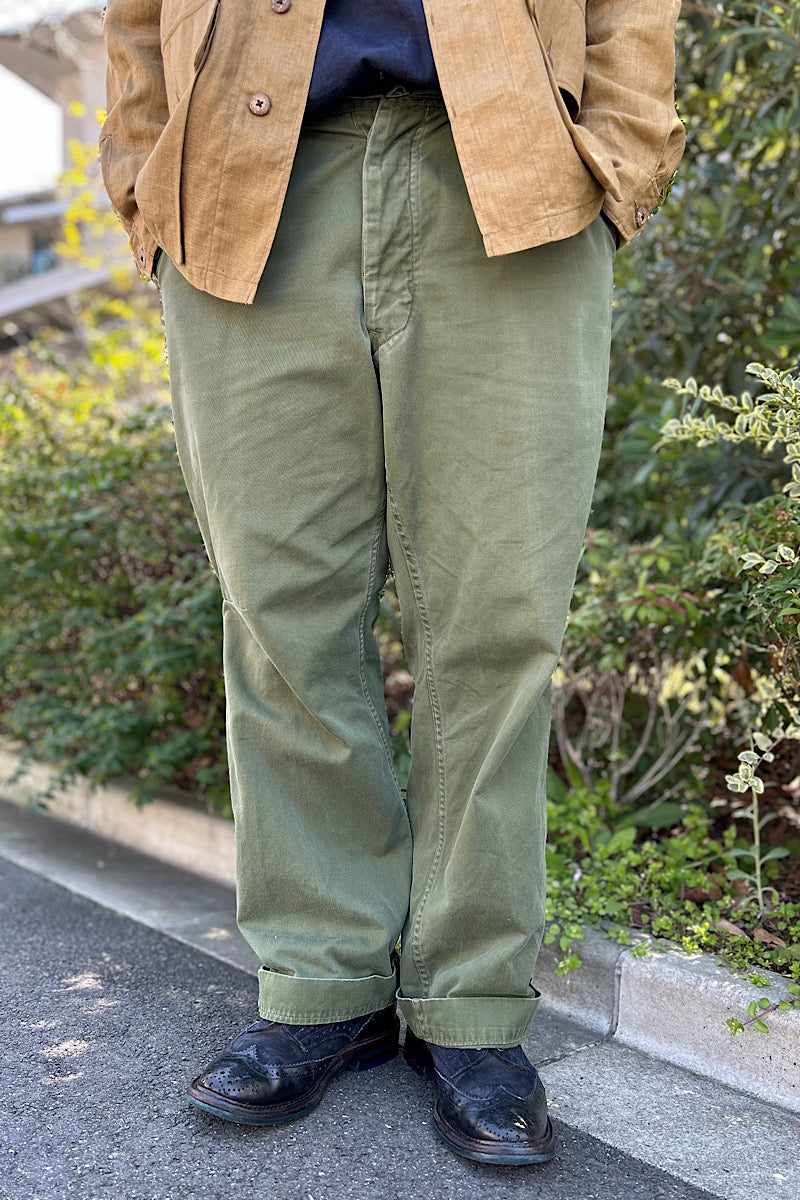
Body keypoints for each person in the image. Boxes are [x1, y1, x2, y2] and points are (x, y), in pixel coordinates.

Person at [100, 0, 684, 1167]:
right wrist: (140, 165)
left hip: (505, 169)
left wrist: (614, 155)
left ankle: (471, 1005)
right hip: (236, 179)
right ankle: (325, 984)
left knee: (496, 617)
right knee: (281, 616)